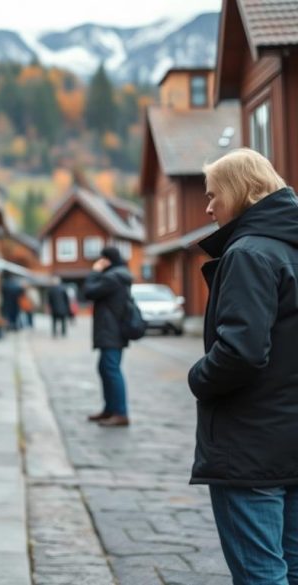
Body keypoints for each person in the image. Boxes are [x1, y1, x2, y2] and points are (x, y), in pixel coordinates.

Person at [187, 148, 298, 584]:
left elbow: (241, 351)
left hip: (250, 445)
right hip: (289, 444)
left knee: (260, 574)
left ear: (241, 190)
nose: (209, 206)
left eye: (214, 195)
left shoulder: (249, 253)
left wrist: (198, 377)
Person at [81, 246, 133, 427]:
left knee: (111, 370)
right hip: (112, 330)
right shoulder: (118, 275)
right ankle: (110, 409)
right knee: (106, 368)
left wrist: (95, 272)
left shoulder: (113, 277)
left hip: (111, 331)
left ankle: (120, 413)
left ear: (106, 260)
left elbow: (89, 292)